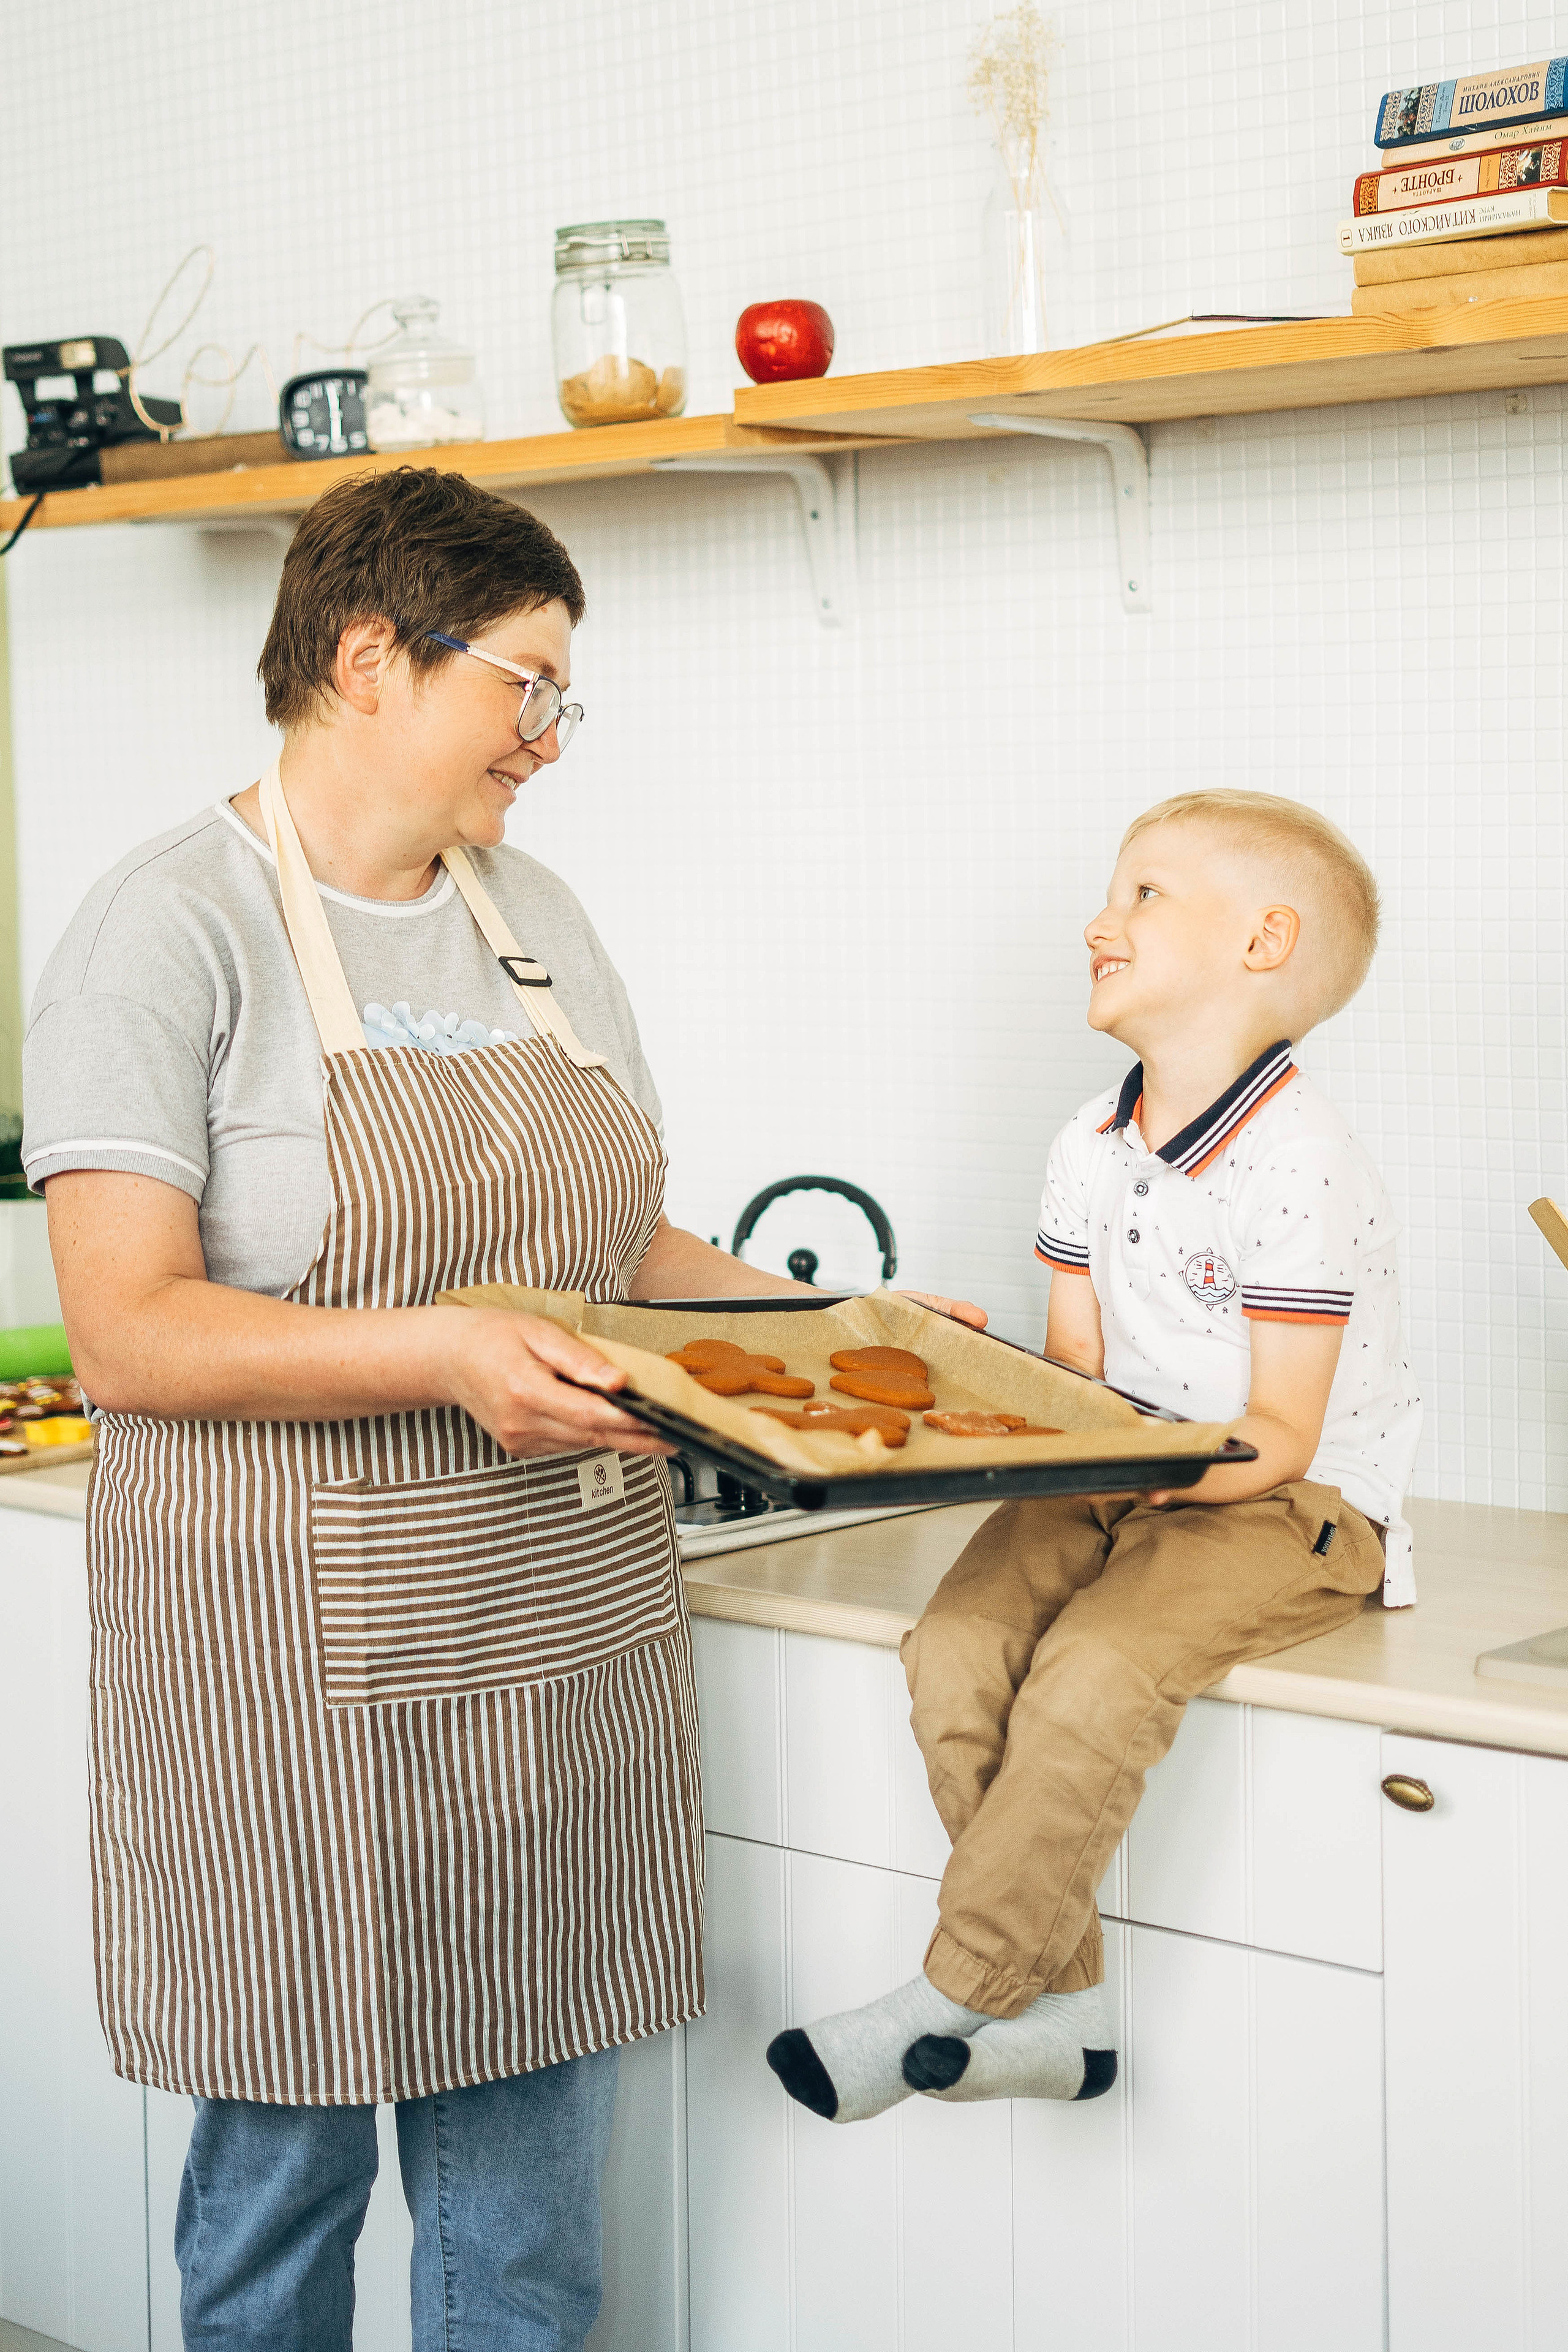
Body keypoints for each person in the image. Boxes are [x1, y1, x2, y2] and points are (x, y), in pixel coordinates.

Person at [21, 466, 979, 2350]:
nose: (548, 739)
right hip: (289, 1674)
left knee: (530, 2232)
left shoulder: (529, 913)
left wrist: (843, 1322)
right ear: (371, 657)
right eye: (526, 687)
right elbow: (129, 1334)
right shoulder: (165, 929)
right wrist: (450, 1354)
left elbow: (619, 1239)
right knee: (284, 2192)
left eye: (561, 699)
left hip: (559, 1642)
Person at [766, 790, 1422, 2123]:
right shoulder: (1088, 1143)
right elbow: (1076, 1379)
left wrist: (1102, 1464)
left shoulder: (1302, 1163)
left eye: (1143, 895)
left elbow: (1278, 1434)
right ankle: (1064, 2016)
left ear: (1262, 942)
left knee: (1095, 1670)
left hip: (1283, 1500)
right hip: (1118, 1471)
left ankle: (950, 1992)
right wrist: (982, 1405)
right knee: (954, 1647)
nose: (1096, 922)